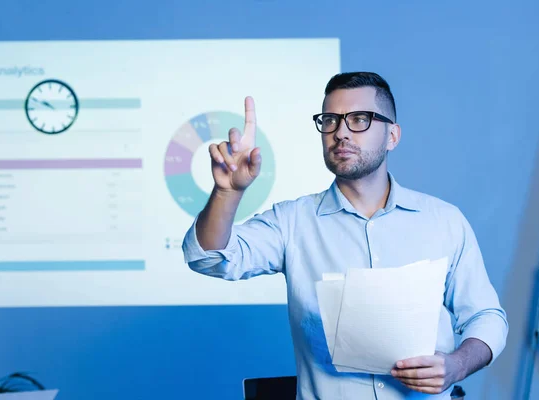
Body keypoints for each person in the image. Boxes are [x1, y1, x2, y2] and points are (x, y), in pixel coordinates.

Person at [182, 72, 508, 399]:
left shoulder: (444, 221)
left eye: (360, 119)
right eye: (330, 120)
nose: (340, 133)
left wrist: (457, 364)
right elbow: (208, 258)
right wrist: (227, 193)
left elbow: (486, 317)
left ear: (392, 136)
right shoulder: (292, 222)